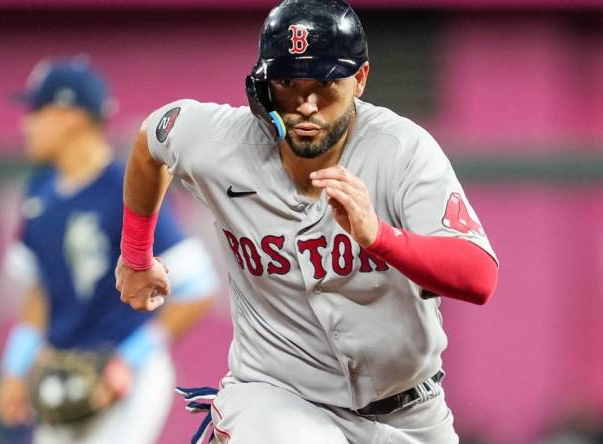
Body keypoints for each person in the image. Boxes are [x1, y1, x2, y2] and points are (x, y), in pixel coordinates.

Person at [116, 0, 499, 442]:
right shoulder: (222, 141)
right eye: (287, 83)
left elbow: (479, 275)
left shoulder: (402, 151)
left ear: (360, 79)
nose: (306, 104)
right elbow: (152, 140)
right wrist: (136, 255)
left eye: (324, 83)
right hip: (278, 398)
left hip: (411, 412)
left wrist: (379, 237)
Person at [0, 57, 219, 444]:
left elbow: (198, 287)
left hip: (126, 372)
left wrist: (128, 359)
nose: (26, 123)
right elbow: (39, 288)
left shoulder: (123, 187)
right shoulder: (40, 191)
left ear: (70, 117)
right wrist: (15, 368)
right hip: (62, 372)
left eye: (37, 111)